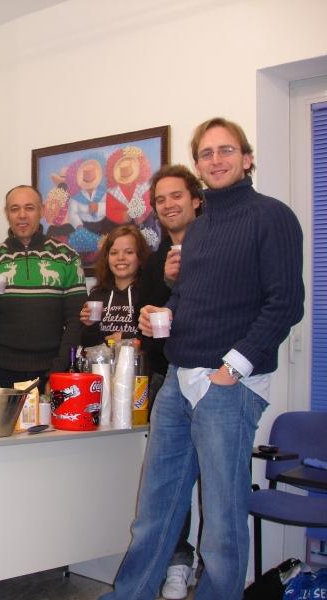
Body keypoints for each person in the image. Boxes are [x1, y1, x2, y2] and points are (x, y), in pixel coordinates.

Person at [102, 117, 305, 600]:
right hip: (178, 382)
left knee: (222, 517)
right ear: (199, 166)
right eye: (207, 153)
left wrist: (233, 367)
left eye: (226, 150)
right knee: (155, 509)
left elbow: (286, 304)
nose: (217, 160)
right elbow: (188, 302)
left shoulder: (272, 216)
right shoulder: (200, 228)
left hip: (227, 385)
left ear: (246, 157)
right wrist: (160, 314)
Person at [136, 164, 203, 599]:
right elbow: (149, 309)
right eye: (160, 200)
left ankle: (210, 568)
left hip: (211, 377)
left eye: (176, 196)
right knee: (167, 481)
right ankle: (177, 561)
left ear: (196, 199)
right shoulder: (158, 255)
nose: (168, 205)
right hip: (166, 376)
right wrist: (151, 307)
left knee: (213, 482)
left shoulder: (214, 247)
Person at [0, 185, 86, 389]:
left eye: (29, 208)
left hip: (51, 370)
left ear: (41, 210)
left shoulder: (67, 258)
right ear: (7, 213)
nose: (22, 215)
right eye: (14, 209)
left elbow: (77, 322)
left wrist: (59, 371)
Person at [79, 224, 149, 348]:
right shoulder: (96, 295)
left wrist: (126, 338)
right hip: (102, 366)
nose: (120, 258)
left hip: (141, 366)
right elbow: (88, 345)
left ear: (140, 257)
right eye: (114, 253)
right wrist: (90, 325)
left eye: (129, 252)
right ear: (107, 258)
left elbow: (159, 341)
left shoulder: (149, 295)